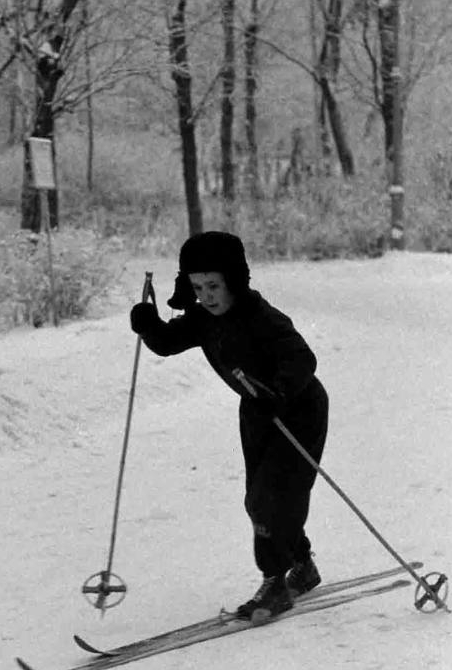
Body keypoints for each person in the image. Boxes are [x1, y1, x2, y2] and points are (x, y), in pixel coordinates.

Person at [129, 231, 329, 625]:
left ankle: (275, 580)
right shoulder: (203, 319)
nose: (206, 296)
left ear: (234, 281)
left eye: (214, 286)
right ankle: (301, 565)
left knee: (269, 499)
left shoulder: (263, 319)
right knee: (261, 497)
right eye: (198, 287)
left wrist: (279, 391)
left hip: (298, 410)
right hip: (256, 413)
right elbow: (169, 342)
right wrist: (149, 325)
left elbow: (303, 358)